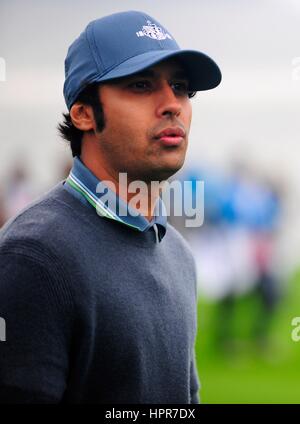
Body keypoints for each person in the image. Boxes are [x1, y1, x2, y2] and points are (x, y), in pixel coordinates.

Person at [0, 10, 221, 403]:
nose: (173, 104)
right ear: (84, 114)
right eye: (140, 85)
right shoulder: (32, 258)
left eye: (182, 87)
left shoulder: (176, 253)